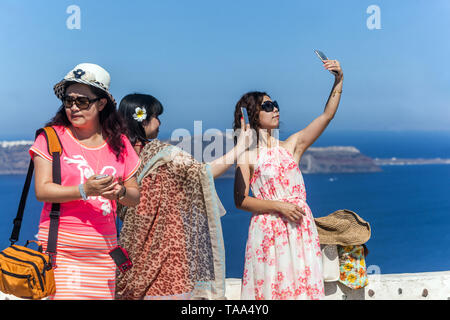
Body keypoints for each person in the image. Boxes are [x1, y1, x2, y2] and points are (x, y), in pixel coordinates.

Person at [115, 93, 253, 300]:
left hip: (132, 250)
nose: (160, 122)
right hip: (167, 256)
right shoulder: (164, 154)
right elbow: (205, 172)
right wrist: (240, 146)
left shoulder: (116, 154)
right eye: (155, 116)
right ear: (142, 119)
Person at [233, 59, 344, 299]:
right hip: (269, 231)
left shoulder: (291, 146)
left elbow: (327, 116)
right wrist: (279, 206)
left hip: (300, 229)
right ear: (253, 114)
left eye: (276, 104)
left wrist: (339, 80)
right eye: (268, 106)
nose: (276, 109)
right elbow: (240, 201)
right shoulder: (247, 156)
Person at [29, 63, 140, 299]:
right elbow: (42, 190)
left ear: (101, 104)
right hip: (60, 253)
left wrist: (119, 192)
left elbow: (134, 197)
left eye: (82, 101)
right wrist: (84, 189)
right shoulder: (50, 138)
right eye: (69, 101)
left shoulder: (119, 143)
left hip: (103, 254)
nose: (73, 107)